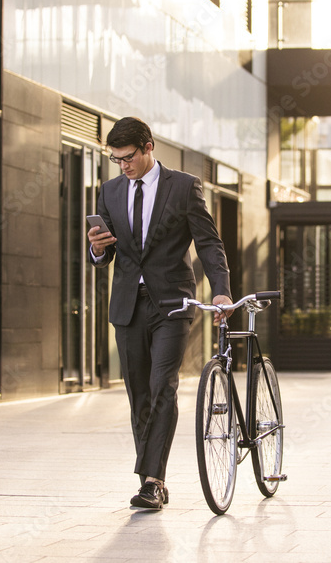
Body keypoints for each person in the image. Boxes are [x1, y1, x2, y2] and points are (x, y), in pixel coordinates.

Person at [88, 116, 232, 510]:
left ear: (149, 147)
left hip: (173, 304)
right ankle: (152, 477)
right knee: (139, 393)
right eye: (116, 159)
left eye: (129, 157)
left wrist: (220, 291)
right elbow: (107, 255)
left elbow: (209, 244)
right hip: (128, 307)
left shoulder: (184, 187)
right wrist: (98, 249)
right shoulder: (111, 190)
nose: (123, 165)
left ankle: (152, 480)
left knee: (162, 385)